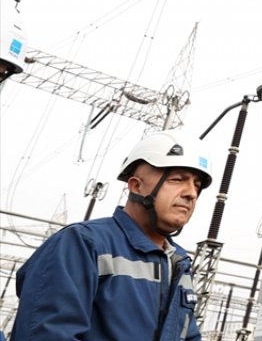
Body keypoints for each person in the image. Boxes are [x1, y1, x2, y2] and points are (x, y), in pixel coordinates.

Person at [13, 130, 213, 340]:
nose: (191, 193)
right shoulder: (83, 245)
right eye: (177, 179)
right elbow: (48, 334)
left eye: (197, 185)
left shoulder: (177, 263)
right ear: (136, 186)